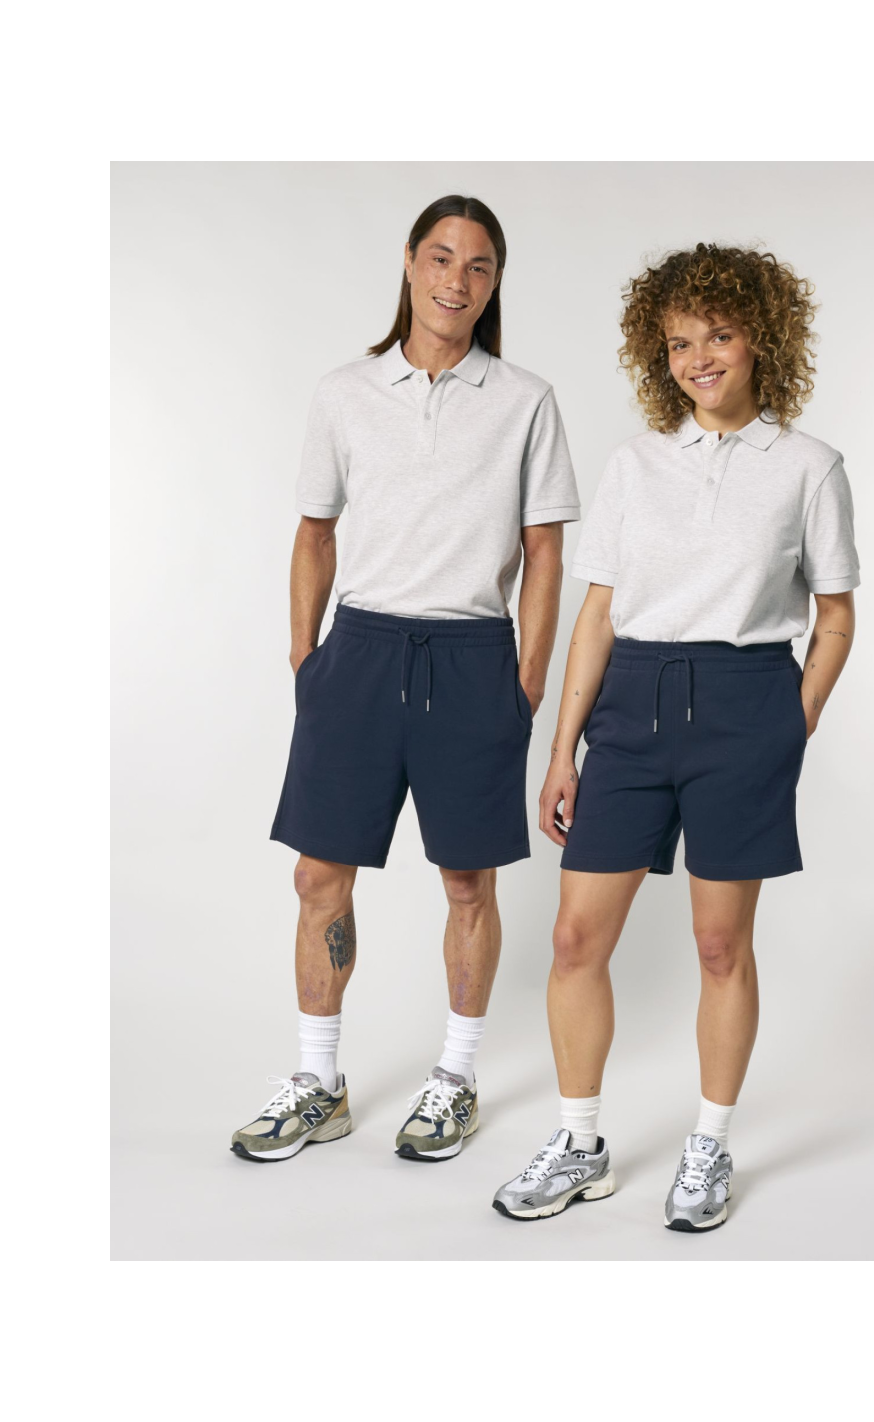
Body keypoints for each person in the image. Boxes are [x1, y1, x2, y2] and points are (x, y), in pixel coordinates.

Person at [492, 243, 859, 1230]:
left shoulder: (808, 467)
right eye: (678, 342)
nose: (697, 358)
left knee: (717, 944)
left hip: (746, 702)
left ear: (761, 338)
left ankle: (708, 1146)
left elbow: (834, 614)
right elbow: (598, 612)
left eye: (719, 335)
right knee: (574, 938)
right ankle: (579, 1144)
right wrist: (562, 749)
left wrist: (791, 725)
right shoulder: (634, 463)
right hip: (632, 704)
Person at [231, 195, 579, 1163]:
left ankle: (455, 1080)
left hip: (471, 659)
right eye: (440, 257)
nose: (456, 281)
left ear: (494, 284)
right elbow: (314, 532)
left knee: (466, 881)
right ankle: (319, 1083)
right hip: (359, 655)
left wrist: (527, 681)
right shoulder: (345, 392)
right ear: (410, 262)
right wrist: (306, 659)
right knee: (317, 875)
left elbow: (544, 551)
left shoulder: (525, 400)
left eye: (478, 265)